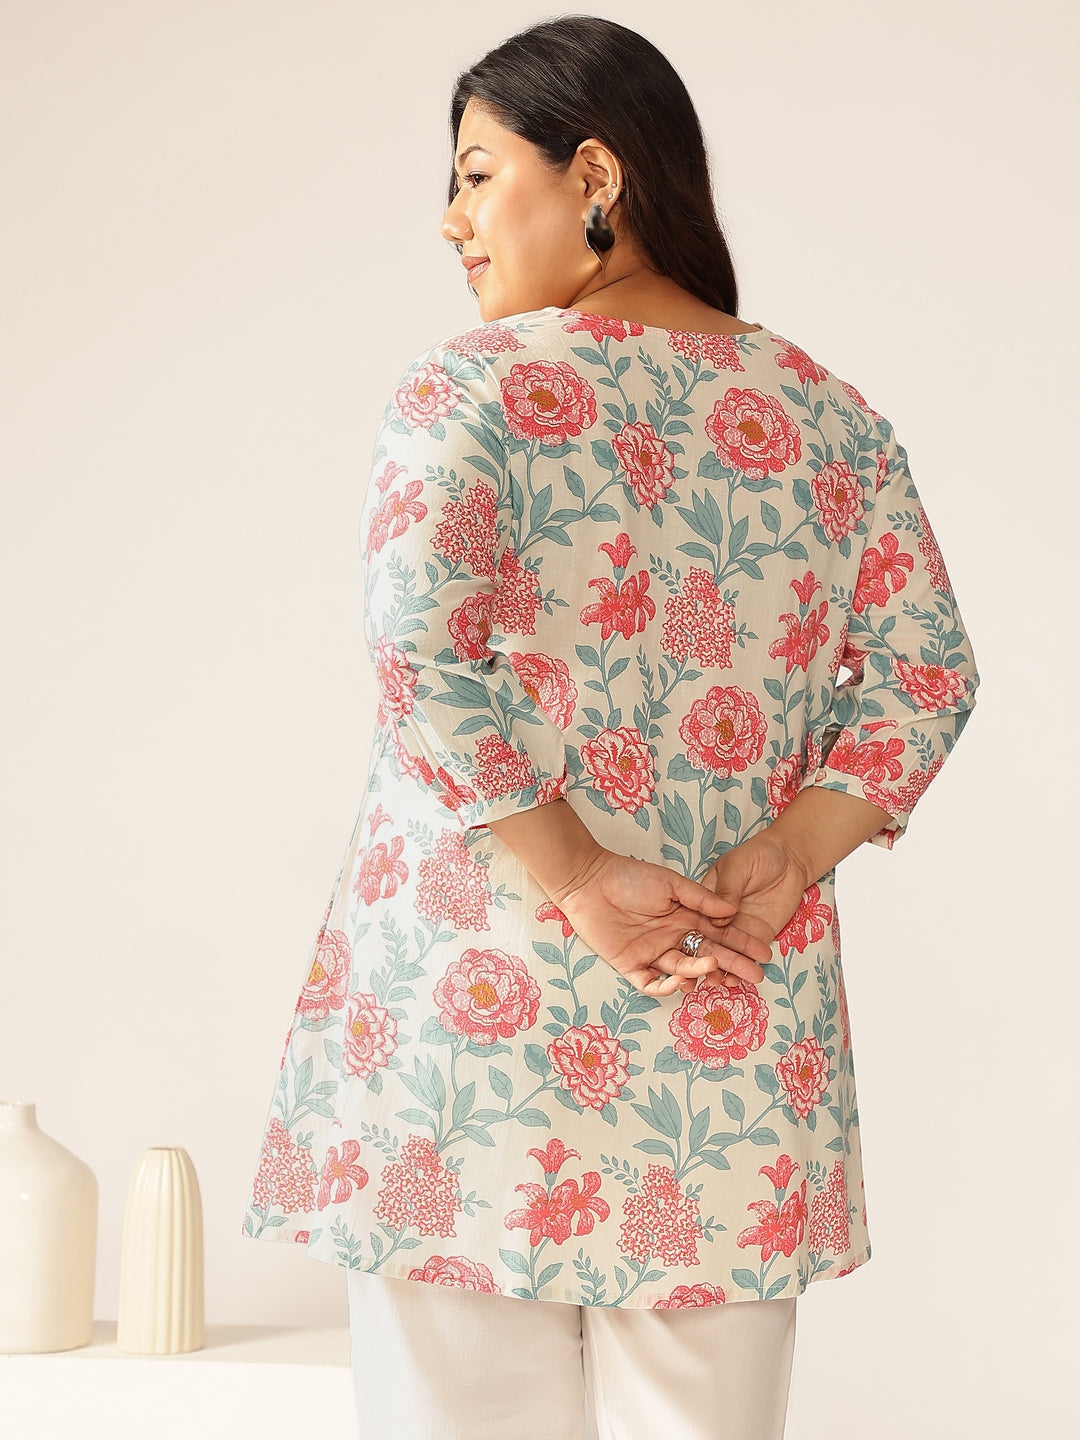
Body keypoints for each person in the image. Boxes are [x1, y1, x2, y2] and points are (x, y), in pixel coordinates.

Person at [241, 15, 979, 1439]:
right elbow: (926, 673)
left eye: (475, 175)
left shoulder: (472, 387)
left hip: (472, 1018)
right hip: (728, 1009)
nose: (449, 219)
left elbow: (421, 649)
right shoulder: (827, 418)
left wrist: (577, 874)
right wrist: (790, 854)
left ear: (594, 175)